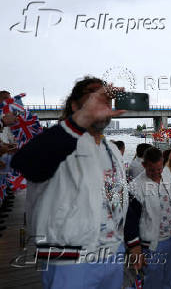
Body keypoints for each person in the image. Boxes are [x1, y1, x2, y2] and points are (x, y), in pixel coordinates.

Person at [11, 77, 128, 289]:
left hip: (113, 253)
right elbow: (25, 163)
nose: (101, 101)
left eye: (106, 97)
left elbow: (116, 199)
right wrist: (81, 119)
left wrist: (127, 241)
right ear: (74, 105)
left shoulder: (110, 149)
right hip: (70, 259)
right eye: (93, 95)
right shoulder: (58, 139)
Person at [124, 146, 171, 289]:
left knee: (170, 278)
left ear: (162, 163)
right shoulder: (135, 187)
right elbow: (130, 220)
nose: (156, 173)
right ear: (144, 165)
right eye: (152, 170)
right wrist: (134, 247)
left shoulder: (167, 176)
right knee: (153, 280)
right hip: (151, 245)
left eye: (159, 169)